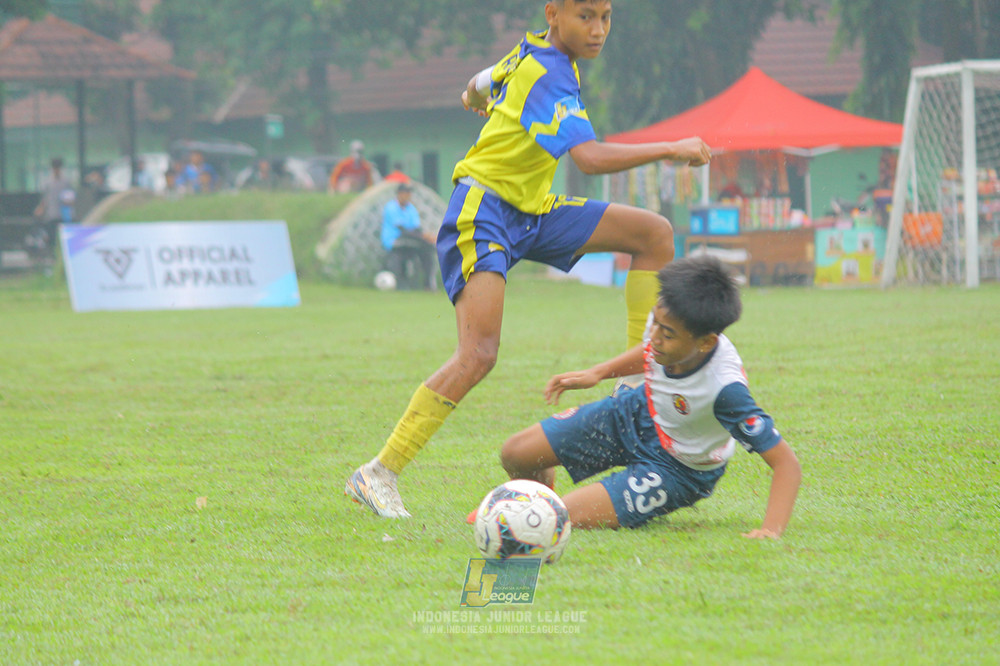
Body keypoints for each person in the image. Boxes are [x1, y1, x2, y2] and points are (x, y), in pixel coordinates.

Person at [345, 0, 712, 519]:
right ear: (554, 13)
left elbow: (481, 80)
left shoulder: (530, 51)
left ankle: (635, 384)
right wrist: (671, 147)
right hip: (485, 211)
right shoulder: (550, 71)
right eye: (586, 16)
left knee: (653, 234)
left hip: (533, 211)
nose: (599, 29)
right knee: (478, 355)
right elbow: (588, 158)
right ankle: (377, 472)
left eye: (606, 16)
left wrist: (474, 94)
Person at [497, 256, 801, 537]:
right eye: (654, 323)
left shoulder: (725, 389)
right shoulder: (666, 316)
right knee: (515, 452)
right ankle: (536, 494)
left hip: (677, 469)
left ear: (706, 342)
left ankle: (529, 512)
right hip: (635, 413)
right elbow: (649, 352)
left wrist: (771, 530)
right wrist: (599, 373)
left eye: (666, 334)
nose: (654, 336)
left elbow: (786, 464)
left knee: (557, 516)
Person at [381, 183, 437, 290]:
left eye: (409, 193)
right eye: (405, 193)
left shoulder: (411, 209)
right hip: (394, 240)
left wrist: (426, 237)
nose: (407, 196)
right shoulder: (391, 207)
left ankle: (428, 284)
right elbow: (403, 230)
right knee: (420, 244)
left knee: (428, 249)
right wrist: (423, 237)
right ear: (399, 194)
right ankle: (400, 283)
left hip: (410, 240)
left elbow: (416, 228)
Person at [31, 157, 74, 253]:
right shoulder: (47, 181)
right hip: (51, 215)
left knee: (63, 239)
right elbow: (45, 198)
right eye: (55, 167)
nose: (56, 170)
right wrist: (41, 208)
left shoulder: (66, 181)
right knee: (52, 238)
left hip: (64, 215)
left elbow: (70, 198)